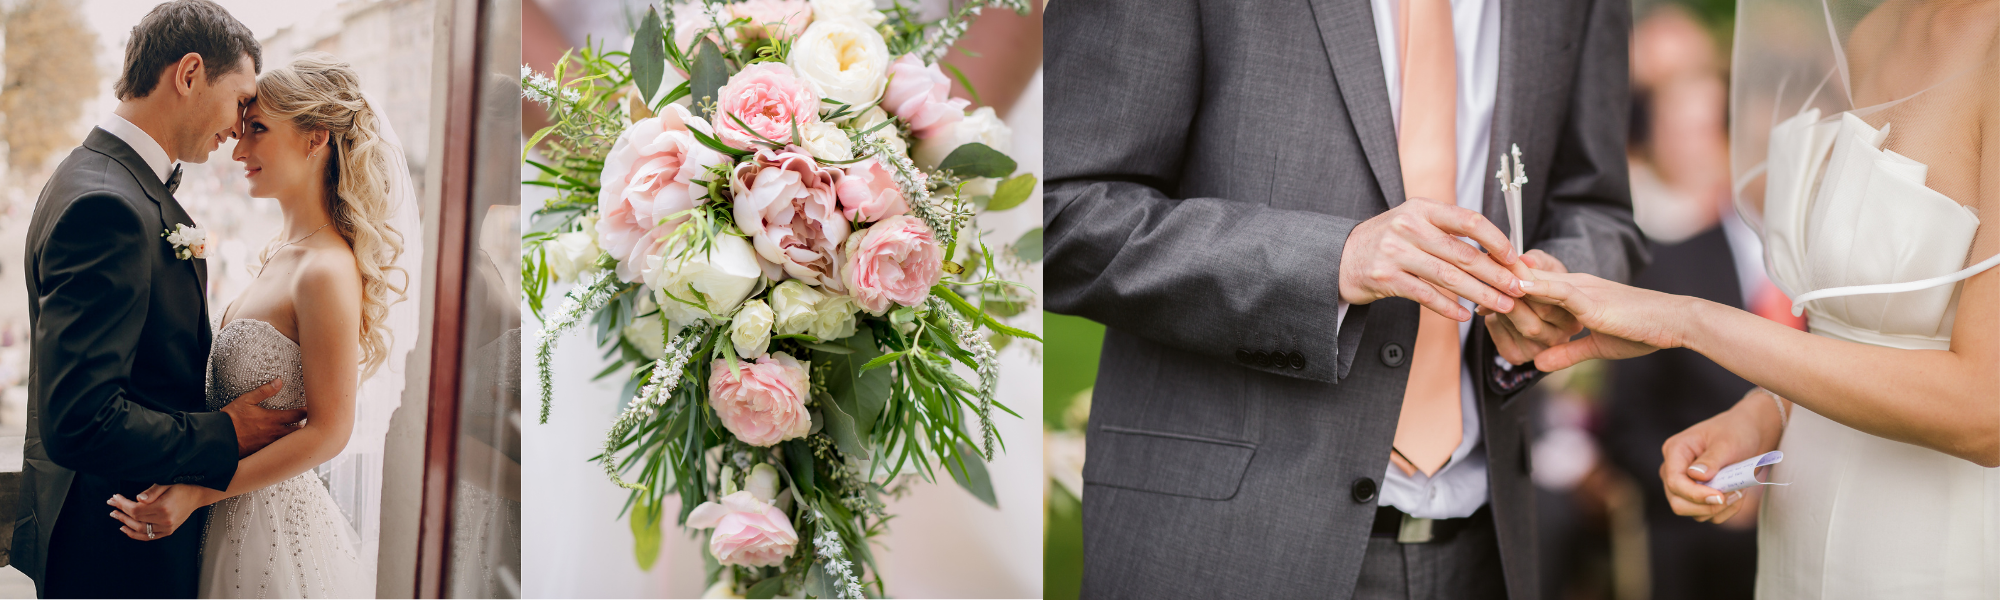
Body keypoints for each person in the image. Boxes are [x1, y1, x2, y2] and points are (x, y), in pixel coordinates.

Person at [1043, 0, 1645, 596]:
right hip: (1223, 543)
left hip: (1488, 546)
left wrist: (1562, 280)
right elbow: (1065, 212)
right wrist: (1333, 261)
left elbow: (1598, 206)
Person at [1517, 0, 2000, 596]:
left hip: (1931, 547)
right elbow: (1859, 328)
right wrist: (1767, 411)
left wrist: (1687, 319)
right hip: (1799, 525)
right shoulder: (1875, 32)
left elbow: (1989, 411)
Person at [104, 52, 419, 599]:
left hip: (270, 529)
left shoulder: (324, 269)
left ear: (315, 137)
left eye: (258, 131)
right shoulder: (280, 254)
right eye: (241, 130)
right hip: (225, 516)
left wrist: (200, 492)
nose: (239, 149)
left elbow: (329, 431)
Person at [14, 2, 304, 597]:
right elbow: (79, 419)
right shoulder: (109, 206)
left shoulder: (93, 174)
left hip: (111, 532)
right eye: (241, 98)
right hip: (116, 547)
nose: (239, 125)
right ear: (190, 72)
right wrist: (224, 432)